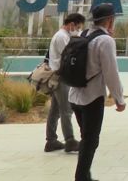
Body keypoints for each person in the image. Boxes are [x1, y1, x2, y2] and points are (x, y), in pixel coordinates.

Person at [68, 3, 125, 181]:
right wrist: (119, 98)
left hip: (74, 95)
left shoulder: (82, 34)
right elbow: (111, 73)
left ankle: (85, 176)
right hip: (92, 97)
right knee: (90, 140)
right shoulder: (105, 40)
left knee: (87, 138)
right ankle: (81, 178)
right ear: (109, 20)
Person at [45, 13, 85, 153]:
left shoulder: (62, 35)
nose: (79, 30)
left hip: (58, 76)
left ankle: (51, 140)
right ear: (72, 24)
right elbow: (69, 55)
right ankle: (69, 140)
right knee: (66, 110)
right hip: (61, 77)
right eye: (78, 27)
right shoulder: (62, 37)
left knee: (55, 110)